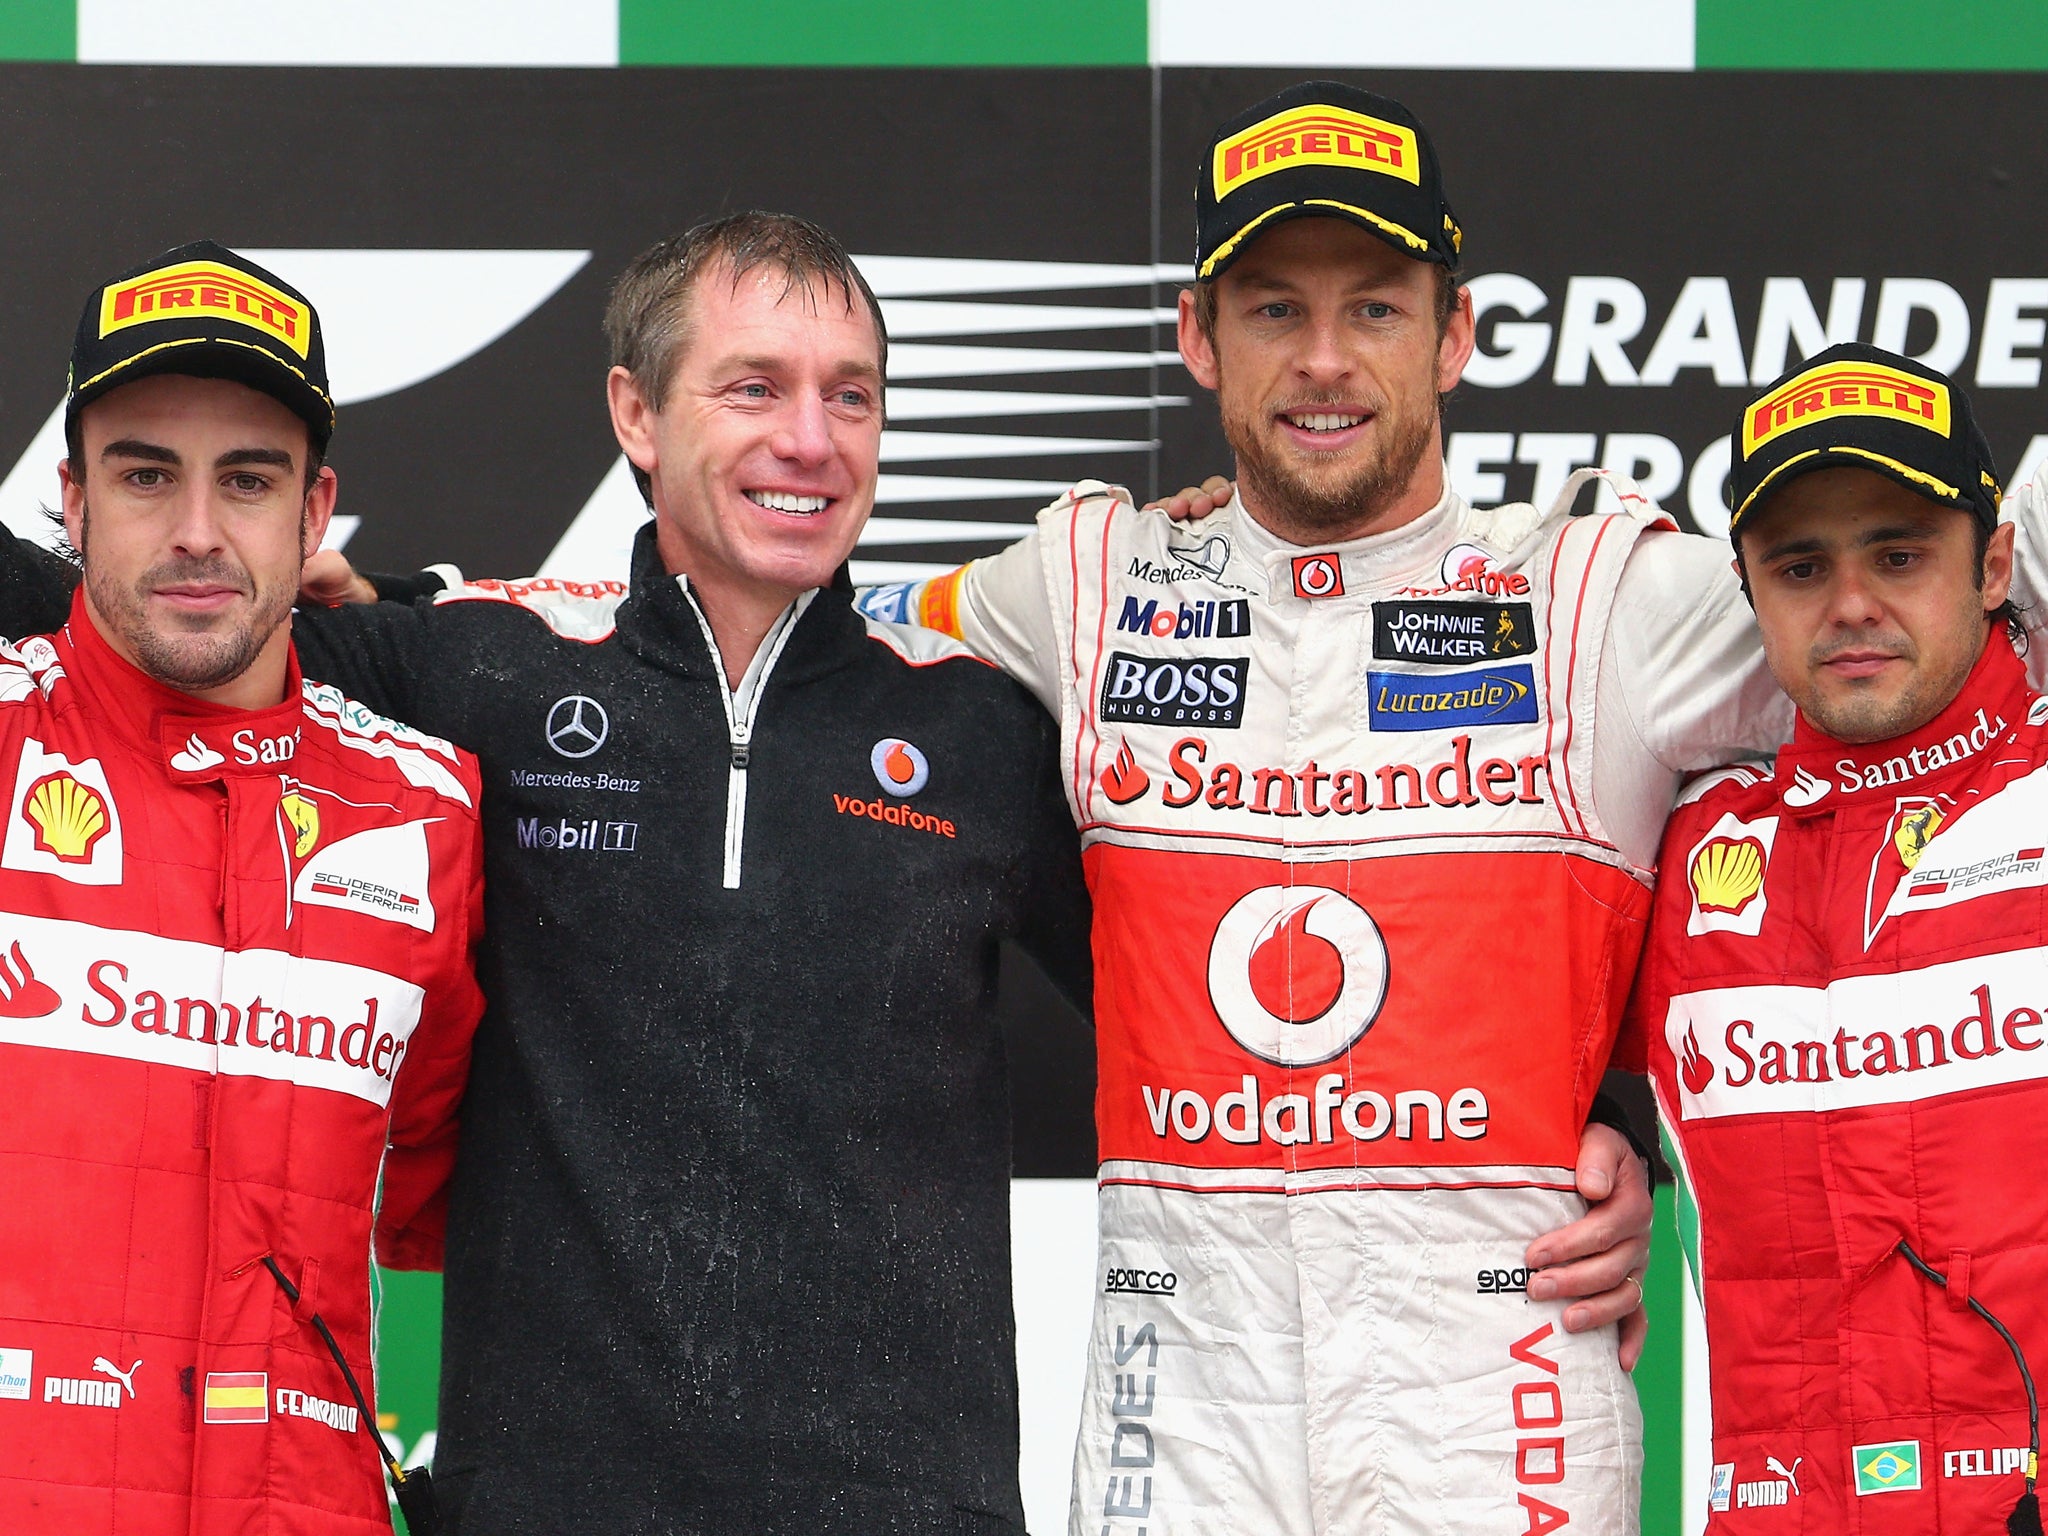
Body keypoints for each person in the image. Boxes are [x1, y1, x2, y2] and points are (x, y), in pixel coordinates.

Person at [850, 79, 1821, 1534]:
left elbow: (1933, 670)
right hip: (1175, 1413)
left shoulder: (1602, 594)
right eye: (1271, 312)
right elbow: (780, 626)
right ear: (1197, 339)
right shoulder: (1089, 582)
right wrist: (396, 611)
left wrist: (1641, 1105)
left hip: (1501, 1406)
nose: (1323, 362)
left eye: (1374, 309)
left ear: (1457, 335)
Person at [0, 242, 487, 1533]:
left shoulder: (429, 813)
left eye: (249, 479)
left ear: (316, 509)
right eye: (146, 474)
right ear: (72, 500)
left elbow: (482, 1213)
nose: (200, 532)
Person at [1621, 343, 2048, 1533]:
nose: (1850, 602)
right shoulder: (1674, 847)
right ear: (1747, 592)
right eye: (1800, 565)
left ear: (1995, 561)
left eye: (1898, 554)